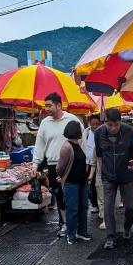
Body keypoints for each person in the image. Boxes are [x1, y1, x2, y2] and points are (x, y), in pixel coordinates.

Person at [32, 92, 81, 237]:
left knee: (73, 195)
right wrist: (36, 164)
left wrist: (85, 162)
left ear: (59, 105)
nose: (46, 108)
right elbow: (39, 144)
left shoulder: (72, 119)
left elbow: (81, 140)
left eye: (49, 105)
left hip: (72, 164)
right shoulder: (45, 123)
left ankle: (76, 224)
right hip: (53, 165)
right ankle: (66, 224)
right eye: (45, 105)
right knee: (59, 195)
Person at [96, 108, 133, 249]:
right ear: (105, 122)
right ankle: (111, 237)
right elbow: (99, 155)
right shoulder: (99, 133)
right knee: (108, 208)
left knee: (130, 207)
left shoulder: (128, 131)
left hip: (126, 174)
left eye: (116, 125)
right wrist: (102, 170)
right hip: (108, 176)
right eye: (110, 125)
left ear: (120, 122)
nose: (113, 128)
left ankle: (127, 227)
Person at [55, 121, 92, 245]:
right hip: (71, 183)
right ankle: (71, 235)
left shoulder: (77, 145)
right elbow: (60, 167)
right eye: (80, 129)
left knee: (83, 207)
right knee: (72, 209)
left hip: (82, 182)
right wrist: (61, 176)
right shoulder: (67, 147)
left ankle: (81, 232)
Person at [84, 114, 103, 216]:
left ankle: (102, 206)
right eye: (93, 124)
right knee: (90, 185)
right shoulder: (85, 133)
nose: (95, 126)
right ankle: (95, 204)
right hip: (87, 163)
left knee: (99, 184)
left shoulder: (103, 133)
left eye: (97, 124)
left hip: (99, 163)